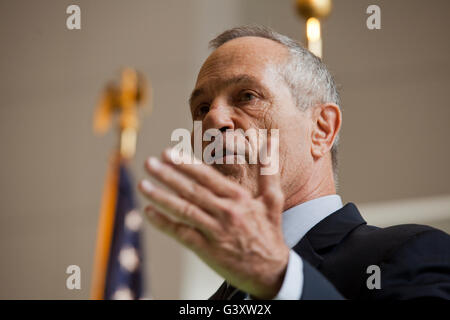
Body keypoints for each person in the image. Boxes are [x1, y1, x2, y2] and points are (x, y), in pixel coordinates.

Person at [138, 26, 450, 300]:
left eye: (247, 96)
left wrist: (281, 279)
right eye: (202, 107)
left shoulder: (409, 253)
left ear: (321, 129)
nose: (212, 119)